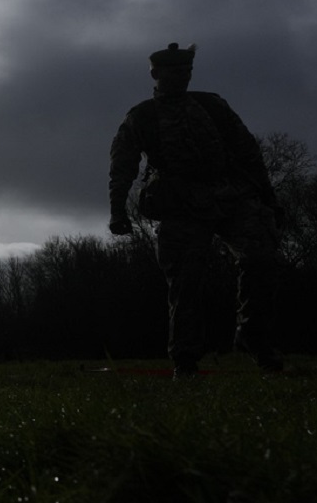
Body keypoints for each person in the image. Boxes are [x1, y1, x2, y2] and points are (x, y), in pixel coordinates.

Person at [108, 42, 284, 378]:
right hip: (179, 203)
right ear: (156, 74)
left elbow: (248, 152)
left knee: (261, 258)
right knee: (186, 282)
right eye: (175, 72)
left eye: (187, 71)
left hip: (230, 194)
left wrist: (268, 199)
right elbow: (123, 165)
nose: (183, 78)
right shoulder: (142, 116)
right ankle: (185, 360)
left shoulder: (212, 105)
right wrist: (118, 210)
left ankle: (253, 337)